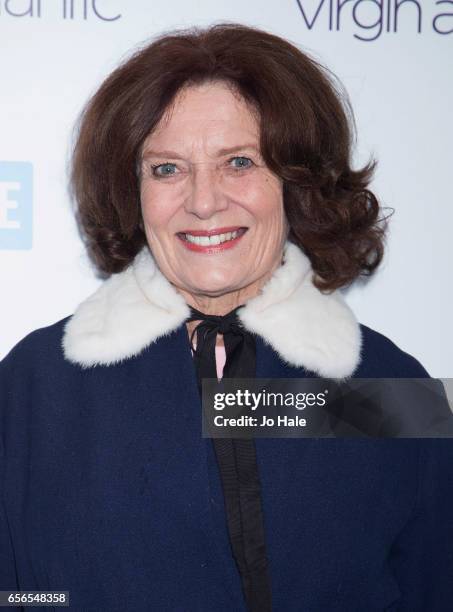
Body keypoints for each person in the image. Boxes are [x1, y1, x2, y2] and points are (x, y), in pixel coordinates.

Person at [1, 22, 452, 612]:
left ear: (298, 183)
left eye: (239, 162)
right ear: (130, 191)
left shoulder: (391, 386)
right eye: (167, 168)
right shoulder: (35, 387)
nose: (204, 201)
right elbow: (19, 595)